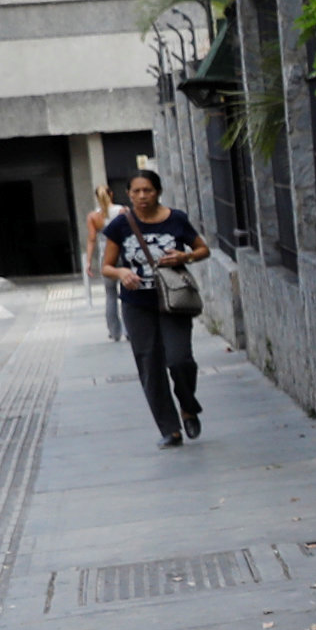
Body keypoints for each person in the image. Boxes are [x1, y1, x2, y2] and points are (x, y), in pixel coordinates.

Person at [98, 169, 209, 447]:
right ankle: (169, 429)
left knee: (179, 359)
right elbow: (106, 266)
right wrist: (122, 273)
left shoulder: (176, 219)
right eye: (136, 191)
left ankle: (187, 405)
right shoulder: (120, 226)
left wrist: (186, 256)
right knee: (149, 365)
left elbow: (203, 249)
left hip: (173, 301)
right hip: (137, 305)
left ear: (157, 191)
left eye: (147, 190)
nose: (142, 196)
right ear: (128, 194)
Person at [83, 182, 123, 342]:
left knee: (110, 295)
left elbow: (92, 239)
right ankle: (129, 331)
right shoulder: (122, 211)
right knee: (128, 293)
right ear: (111, 194)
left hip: (105, 258)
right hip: (122, 255)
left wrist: (88, 262)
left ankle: (114, 332)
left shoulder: (93, 216)